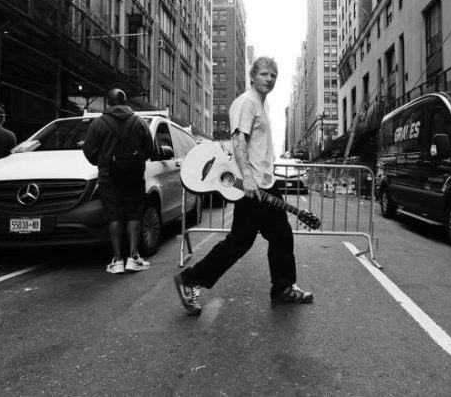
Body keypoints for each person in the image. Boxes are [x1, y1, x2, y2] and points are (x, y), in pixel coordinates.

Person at [173, 57, 313, 316]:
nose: (269, 79)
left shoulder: (262, 103)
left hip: (263, 182)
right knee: (243, 241)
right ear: (252, 76)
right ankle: (190, 279)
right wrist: (247, 177)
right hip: (252, 185)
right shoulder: (247, 102)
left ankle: (282, 287)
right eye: (264, 74)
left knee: (271, 236)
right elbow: (239, 138)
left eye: (273, 75)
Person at [83, 88, 155, 274]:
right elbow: (150, 149)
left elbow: (89, 151)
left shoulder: (98, 124)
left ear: (108, 103)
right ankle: (134, 257)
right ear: (125, 101)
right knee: (134, 215)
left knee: (114, 216)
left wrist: (103, 163)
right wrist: (136, 162)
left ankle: (117, 261)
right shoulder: (139, 122)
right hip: (134, 177)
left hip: (108, 178)